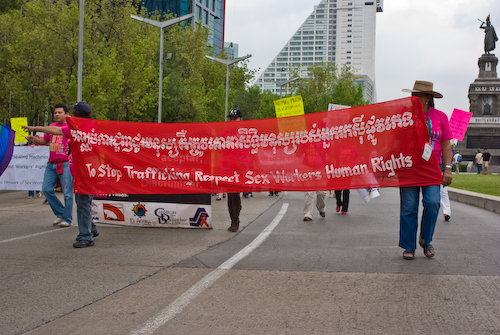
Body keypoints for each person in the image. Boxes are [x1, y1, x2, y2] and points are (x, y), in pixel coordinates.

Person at [24, 102, 98, 248]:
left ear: (76, 114)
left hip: (83, 169)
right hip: (85, 168)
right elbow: (49, 136)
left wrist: (34, 128)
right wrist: (37, 139)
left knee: (81, 201)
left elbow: (55, 131)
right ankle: (91, 229)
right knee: (82, 201)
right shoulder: (90, 125)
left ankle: (86, 236)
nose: (69, 115)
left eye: (71, 112)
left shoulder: (77, 126)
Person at [399, 81, 453, 260]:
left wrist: (447, 169)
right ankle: (408, 245)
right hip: (409, 167)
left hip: (433, 168)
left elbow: (446, 145)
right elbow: (395, 141)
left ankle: (425, 238)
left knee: (432, 203)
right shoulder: (404, 116)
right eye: (413, 95)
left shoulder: (440, 117)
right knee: (408, 207)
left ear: (428, 98)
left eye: (418, 95)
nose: (414, 98)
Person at [25, 104, 73, 227]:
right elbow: (45, 141)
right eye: (55, 112)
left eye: (59, 112)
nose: (56, 114)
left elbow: (52, 132)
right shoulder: (51, 126)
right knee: (46, 189)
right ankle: (61, 213)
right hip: (51, 163)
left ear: (66, 114)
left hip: (65, 163)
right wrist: (34, 140)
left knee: (67, 193)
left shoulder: (70, 126)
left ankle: (67, 219)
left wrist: (34, 128)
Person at [226, 109, 244, 232]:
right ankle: (232, 217)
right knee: (230, 194)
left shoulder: (246, 133)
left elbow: (253, 150)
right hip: (227, 166)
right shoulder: (225, 132)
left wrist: (257, 166)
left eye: (235, 118)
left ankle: (235, 219)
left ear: (240, 120)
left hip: (240, 167)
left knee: (235, 193)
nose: (232, 120)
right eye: (231, 118)